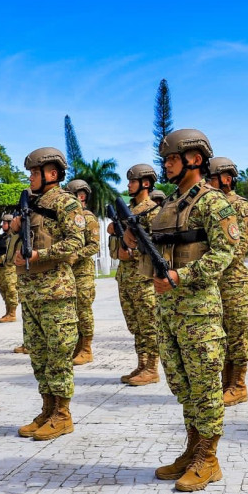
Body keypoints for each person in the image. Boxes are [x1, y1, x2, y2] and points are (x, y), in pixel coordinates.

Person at [131, 129, 236, 492]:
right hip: (168, 312)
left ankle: (209, 458)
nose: (167, 164)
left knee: (206, 386)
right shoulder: (167, 207)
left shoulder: (213, 203)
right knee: (183, 385)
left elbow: (225, 254)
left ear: (195, 159)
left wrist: (181, 276)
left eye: (173, 157)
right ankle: (193, 449)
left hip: (198, 313)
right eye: (165, 159)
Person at [12, 149, 84, 439]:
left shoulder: (66, 203)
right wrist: (15, 229)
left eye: (34, 172)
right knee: (39, 356)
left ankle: (62, 414)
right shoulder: (30, 204)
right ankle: (47, 409)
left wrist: (40, 254)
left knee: (58, 355)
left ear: (52, 174)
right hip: (30, 292)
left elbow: (75, 242)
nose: (30, 177)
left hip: (56, 291)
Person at [206, 157, 248, 405]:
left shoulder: (241, 207)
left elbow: (239, 248)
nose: (207, 183)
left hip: (233, 282)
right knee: (220, 335)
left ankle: (238, 385)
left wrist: (205, 259)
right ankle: (226, 383)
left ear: (226, 179)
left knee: (236, 334)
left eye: (211, 178)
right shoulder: (209, 205)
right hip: (214, 281)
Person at [110, 163, 162, 386]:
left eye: (132, 181)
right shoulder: (127, 210)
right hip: (126, 278)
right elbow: (118, 244)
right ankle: (141, 364)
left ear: (146, 183)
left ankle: (152, 368)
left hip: (144, 279)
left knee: (149, 324)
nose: (129, 185)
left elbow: (157, 245)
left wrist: (132, 251)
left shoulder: (153, 211)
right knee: (136, 325)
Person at [64, 179, 100, 366]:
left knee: (84, 311)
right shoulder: (69, 219)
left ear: (81, 196)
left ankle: (87, 349)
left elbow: (94, 245)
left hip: (83, 273)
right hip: (69, 273)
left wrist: (75, 255)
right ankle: (78, 347)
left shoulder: (88, 218)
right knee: (73, 312)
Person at [0, 214, 19, 324]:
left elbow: (11, 252)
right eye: (2, 223)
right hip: (2, 269)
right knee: (3, 290)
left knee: (10, 290)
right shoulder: (3, 237)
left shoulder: (13, 236)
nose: (3, 225)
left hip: (9, 268)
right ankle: (8, 311)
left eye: (5, 223)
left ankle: (12, 313)